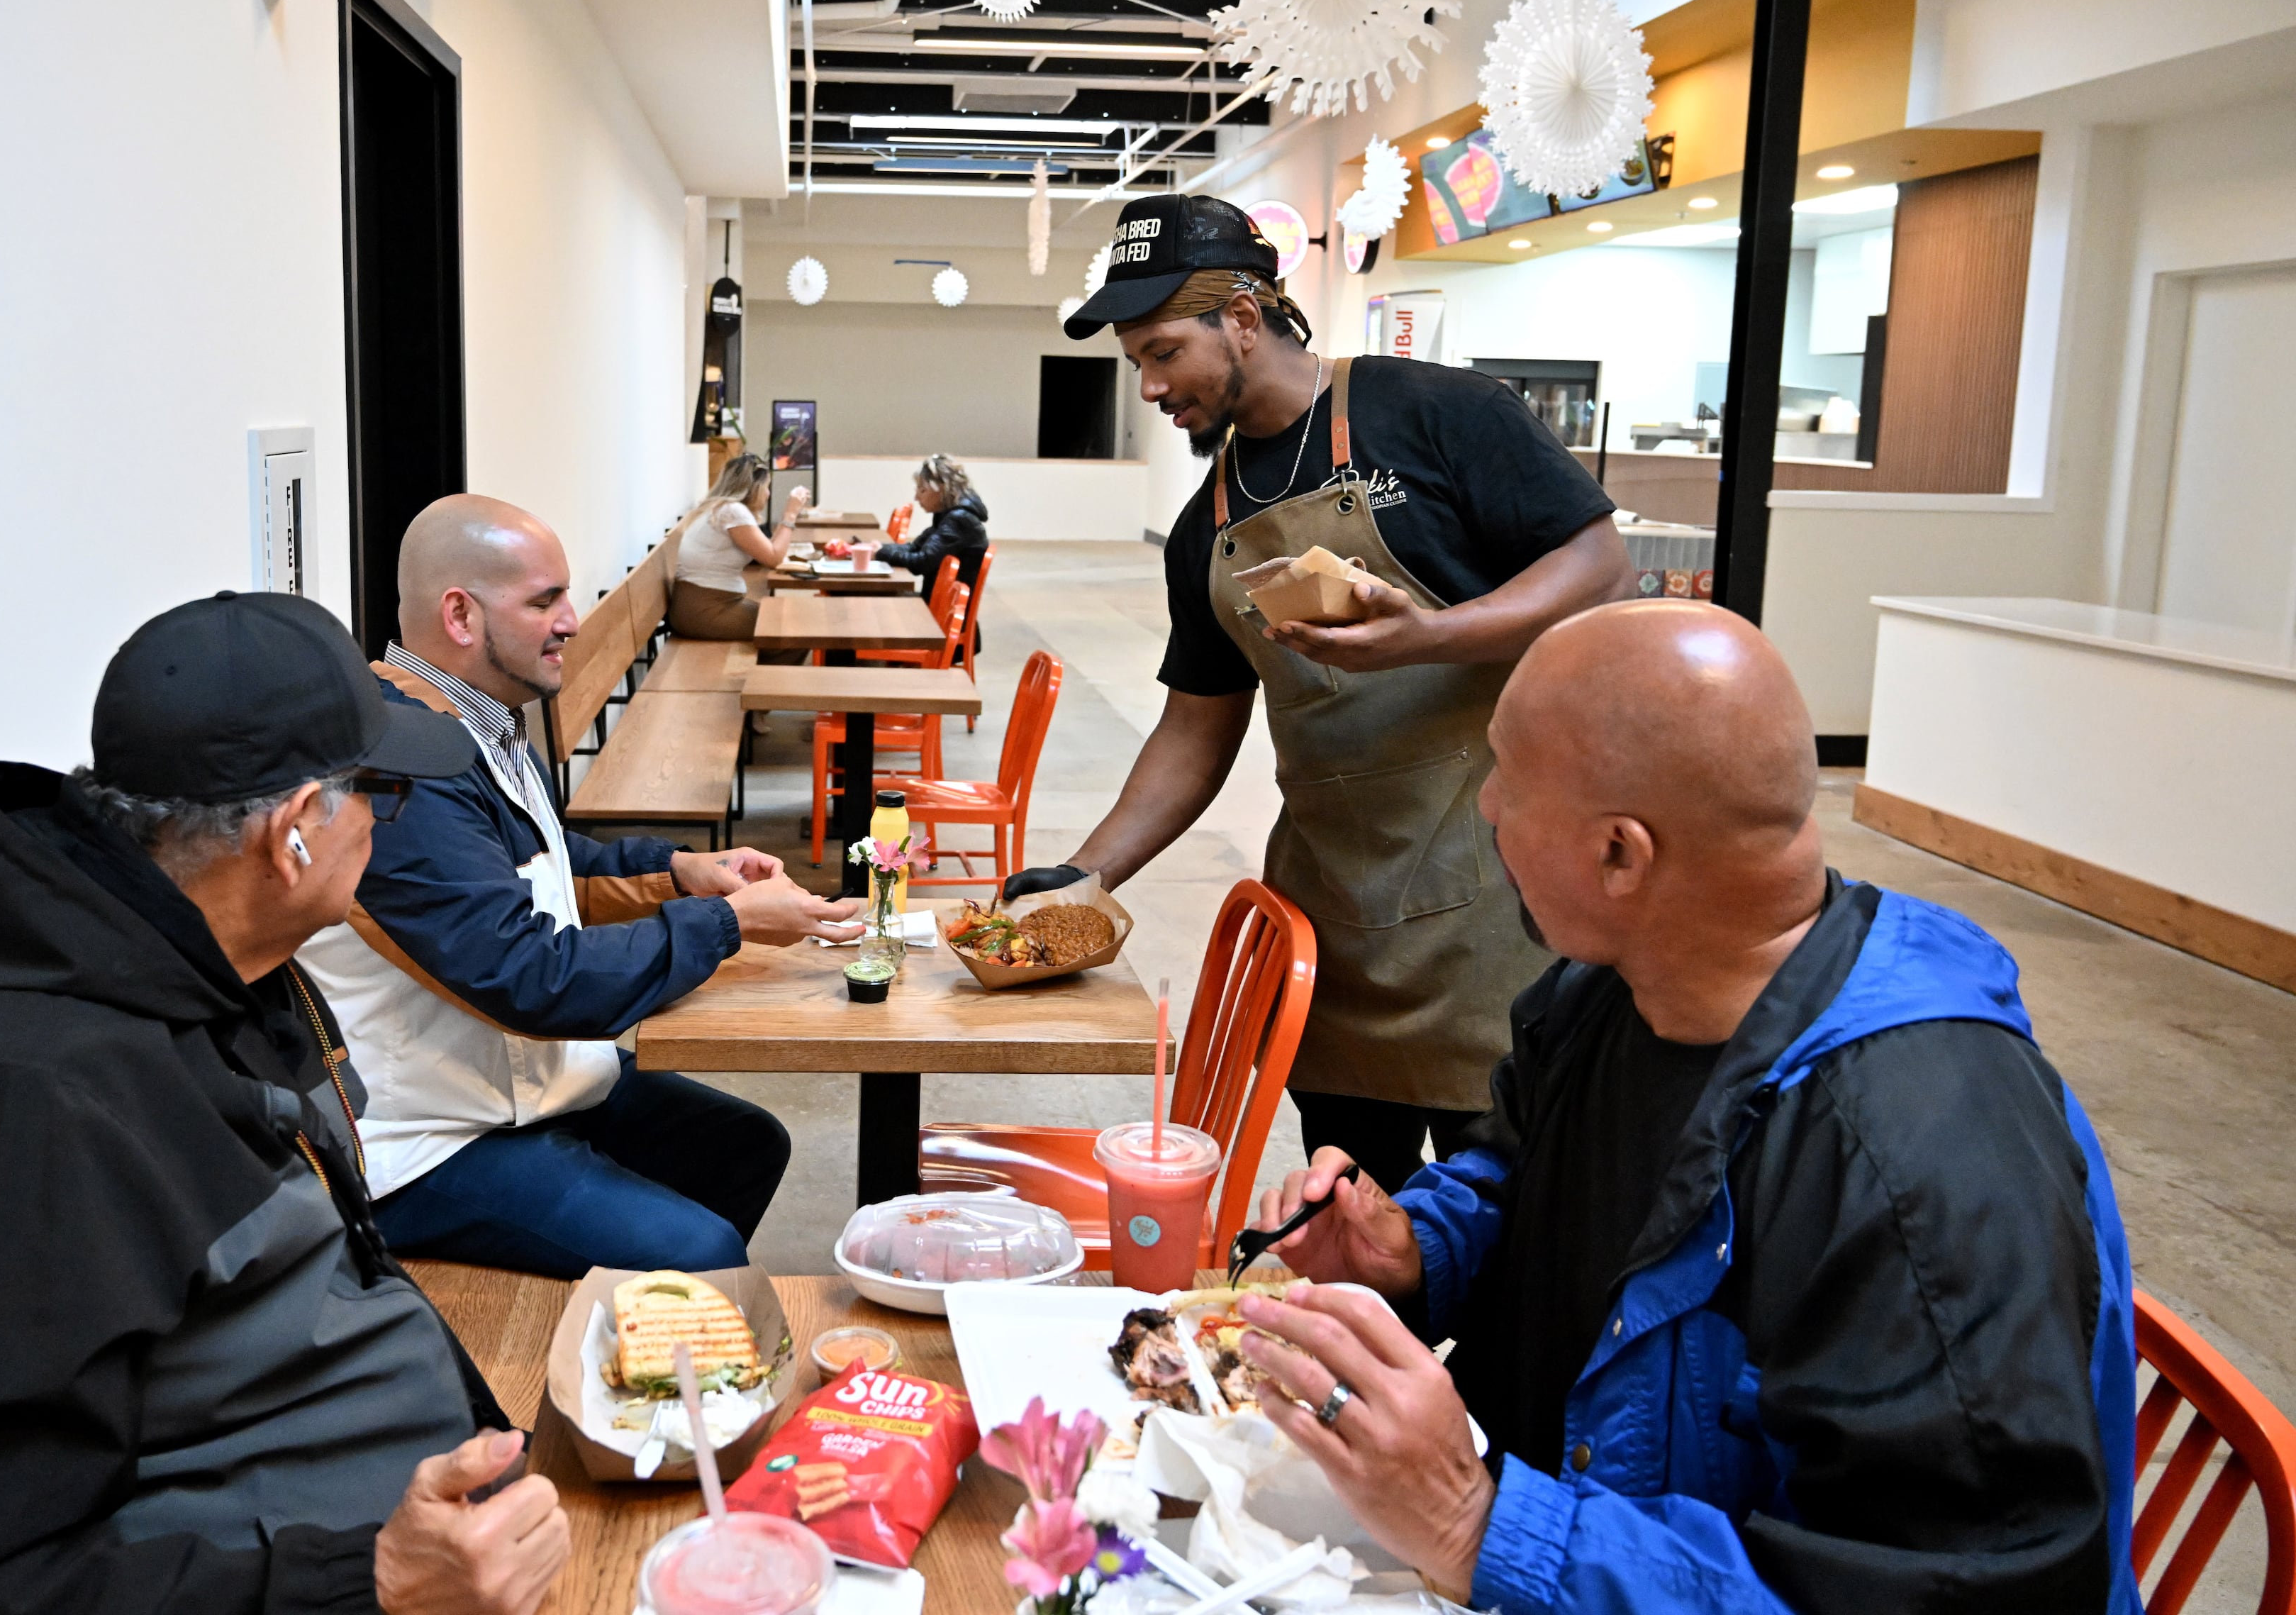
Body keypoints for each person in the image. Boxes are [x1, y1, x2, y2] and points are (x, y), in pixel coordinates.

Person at [1234, 599, 2139, 1614]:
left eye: (1507, 779)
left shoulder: (1919, 1168)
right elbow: (1521, 1175)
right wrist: (1415, 1250)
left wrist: (1479, 1525)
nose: (1486, 808)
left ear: (1622, 855)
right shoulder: (1617, 987)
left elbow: (1967, 1593)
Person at [0, 590, 569, 1615]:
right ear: (293, 833)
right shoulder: (10, 1112)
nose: (385, 823)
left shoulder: (193, 966)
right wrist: (373, 1581)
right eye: (381, 792)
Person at [1015, 193, 1634, 1184]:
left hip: (1502, 915)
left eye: (1165, 352)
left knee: (1519, 1240)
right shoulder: (1203, 527)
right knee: (1352, 1228)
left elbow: (1601, 566)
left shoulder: (1440, 416)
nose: (1149, 385)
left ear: (1246, 320)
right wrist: (1087, 874)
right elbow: (1195, 728)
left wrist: (1432, 636)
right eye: (1136, 361)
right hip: (1339, 930)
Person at [300, 494, 863, 1275]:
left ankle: (629, 1328)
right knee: (700, 1249)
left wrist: (681, 874)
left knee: (744, 1144)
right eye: (544, 601)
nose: (571, 618)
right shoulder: (404, 768)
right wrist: (726, 922)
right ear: (460, 615)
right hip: (434, 1137)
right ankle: (619, 1334)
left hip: (528, 1081)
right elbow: (529, 977)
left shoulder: (481, 715)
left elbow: (552, 858)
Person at [670, 451, 806, 640]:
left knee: (782, 621)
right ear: (755, 488)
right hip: (706, 609)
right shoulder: (732, 512)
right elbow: (774, 558)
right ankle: (767, 670)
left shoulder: (719, 508)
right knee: (793, 632)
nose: (768, 494)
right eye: (767, 487)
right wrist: (790, 514)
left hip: (699, 604)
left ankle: (767, 669)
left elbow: (768, 550)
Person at [869, 453, 989, 604]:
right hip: (940, 605)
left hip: (941, 611)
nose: (916, 497)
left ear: (941, 489)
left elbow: (922, 562)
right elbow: (915, 548)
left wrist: (881, 553)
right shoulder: (950, 516)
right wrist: (880, 549)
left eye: (922, 490)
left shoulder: (959, 520)